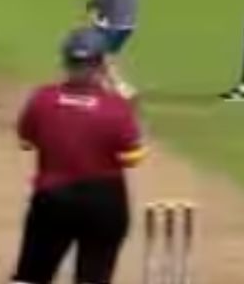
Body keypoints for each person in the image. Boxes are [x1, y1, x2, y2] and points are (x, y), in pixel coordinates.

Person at [10, 28, 145, 284]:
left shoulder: (42, 98)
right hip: (104, 201)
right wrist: (132, 109)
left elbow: (26, 142)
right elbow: (133, 158)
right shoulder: (115, 107)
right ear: (102, 65)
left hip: (52, 200)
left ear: (65, 62)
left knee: (31, 275)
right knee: (93, 276)